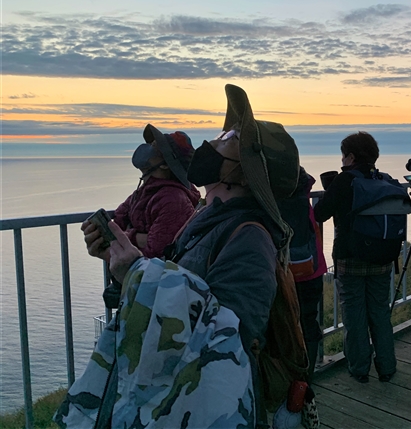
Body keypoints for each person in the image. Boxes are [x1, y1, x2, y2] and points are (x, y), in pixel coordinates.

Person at [81, 84, 301, 429]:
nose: (213, 142)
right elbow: (178, 285)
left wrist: (135, 273)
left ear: (242, 170)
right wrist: (122, 266)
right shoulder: (204, 217)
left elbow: (229, 339)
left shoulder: (250, 240)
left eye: (228, 137)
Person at [313, 131, 397, 383]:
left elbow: (319, 214)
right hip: (382, 259)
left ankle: (360, 369)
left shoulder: (344, 180)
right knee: (380, 313)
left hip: (350, 259)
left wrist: (331, 192)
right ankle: (387, 367)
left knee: (354, 316)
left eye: (343, 155)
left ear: (350, 156)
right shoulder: (386, 180)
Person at [93, 124, 201, 308]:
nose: (148, 148)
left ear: (166, 163)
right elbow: (118, 219)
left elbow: (156, 254)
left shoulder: (173, 200)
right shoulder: (146, 189)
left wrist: (127, 236)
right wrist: (135, 237)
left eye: (155, 147)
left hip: (151, 294)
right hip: (136, 283)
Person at [280, 167, 328, 382]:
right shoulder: (303, 193)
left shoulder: (269, 196)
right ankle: (305, 380)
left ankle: (287, 379)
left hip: (282, 274)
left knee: (282, 326)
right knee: (309, 322)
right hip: (311, 268)